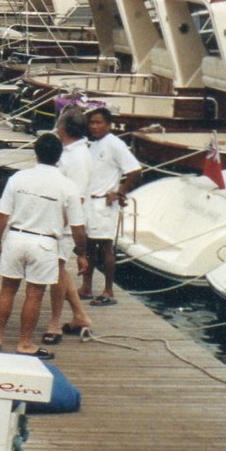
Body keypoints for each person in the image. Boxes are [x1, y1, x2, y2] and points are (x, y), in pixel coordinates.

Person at [0, 133, 88, 358]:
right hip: (45, 243)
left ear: (36, 153)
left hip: (15, 238)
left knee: (7, 289)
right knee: (34, 294)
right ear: (59, 157)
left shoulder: (18, 178)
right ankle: (24, 343)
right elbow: (78, 227)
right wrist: (82, 254)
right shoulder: (68, 186)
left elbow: (2, 215)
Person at [81, 106, 142, 305]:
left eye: (98, 123)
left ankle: (108, 291)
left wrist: (120, 192)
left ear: (108, 125)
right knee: (89, 246)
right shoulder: (93, 145)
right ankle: (87, 287)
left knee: (105, 248)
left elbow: (134, 171)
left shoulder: (115, 144)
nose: (94, 127)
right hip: (89, 201)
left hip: (103, 203)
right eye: (91, 123)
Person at [45, 107, 95, 343]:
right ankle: (79, 314)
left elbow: (76, 197)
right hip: (58, 220)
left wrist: (59, 225)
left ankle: (55, 323)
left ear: (63, 128)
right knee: (60, 271)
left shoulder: (77, 157)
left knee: (56, 271)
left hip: (64, 225)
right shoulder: (70, 152)